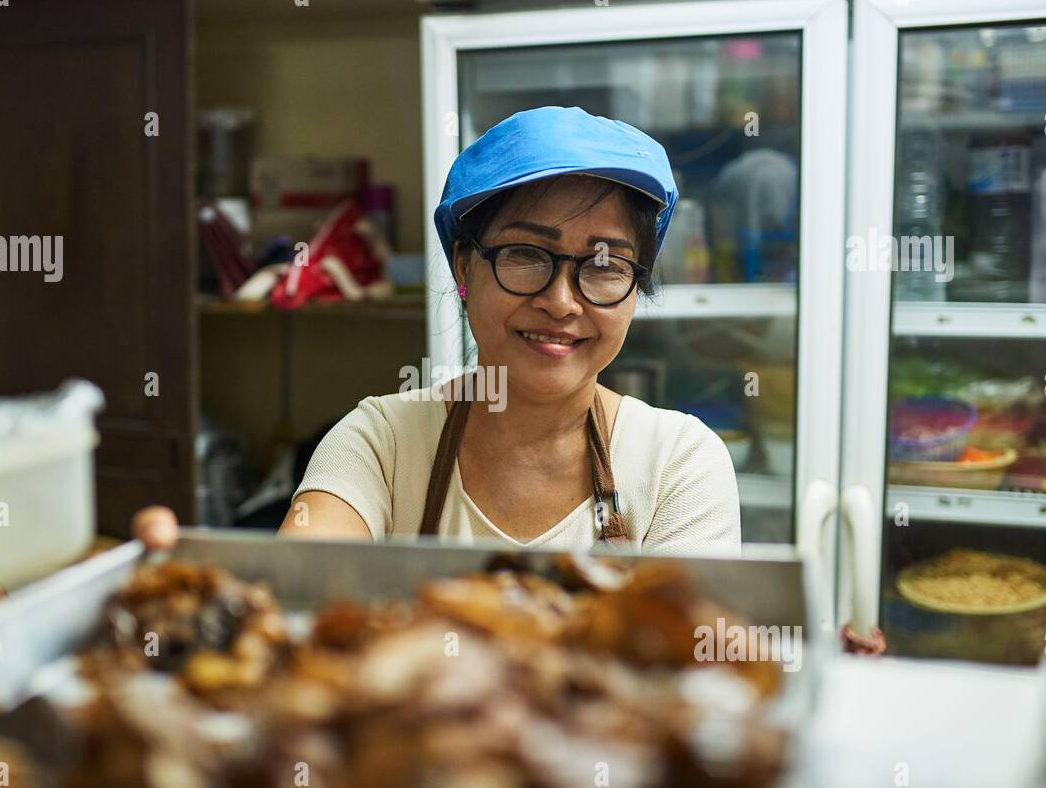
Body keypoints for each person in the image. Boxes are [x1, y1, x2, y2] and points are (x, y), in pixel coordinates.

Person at [277, 106, 740, 552]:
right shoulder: (382, 443)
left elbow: (690, 629)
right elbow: (298, 590)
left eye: (605, 264)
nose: (561, 303)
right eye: (524, 253)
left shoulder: (678, 462)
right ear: (463, 265)